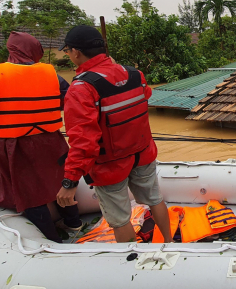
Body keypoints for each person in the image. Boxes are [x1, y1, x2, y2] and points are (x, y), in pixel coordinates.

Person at [58, 25, 172, 243]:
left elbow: (83, 142)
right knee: (155, 199)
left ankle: (131, 264)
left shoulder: (81, 89)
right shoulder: (134, 74)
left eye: (68, 51)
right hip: (142, 154)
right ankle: (169, 242)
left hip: (109, 166)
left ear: (76, 52)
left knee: (120, 220)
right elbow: (145, 95)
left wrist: (70, 182)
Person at [0, 32, 82, 242]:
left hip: (14, 144)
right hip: (50, 140)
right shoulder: (50, 73)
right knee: (61, 182)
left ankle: (52, 240)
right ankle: (74, 224)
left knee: (29, 193)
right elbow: (69, 98)